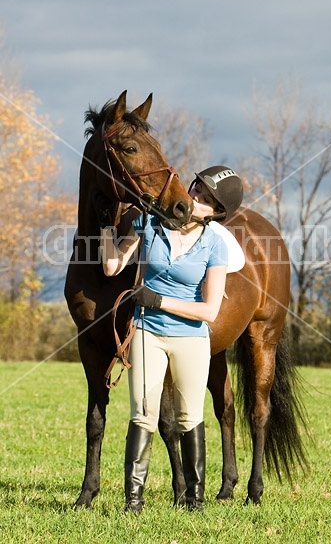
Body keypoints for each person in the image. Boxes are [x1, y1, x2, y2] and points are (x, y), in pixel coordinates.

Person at [96, 166, 244, 514]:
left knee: (189, 416)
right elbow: (112, 266)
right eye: (197, 190)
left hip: (190, 339)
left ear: (216, 213)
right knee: (143, 414)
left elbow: (209, 311)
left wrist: (159, 300)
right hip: (147, 333)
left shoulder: (214, 245)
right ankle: (133, 502)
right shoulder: (149, 225)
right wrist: (105, 227)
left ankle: (194, 502)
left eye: (207, 200)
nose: (196, 200)